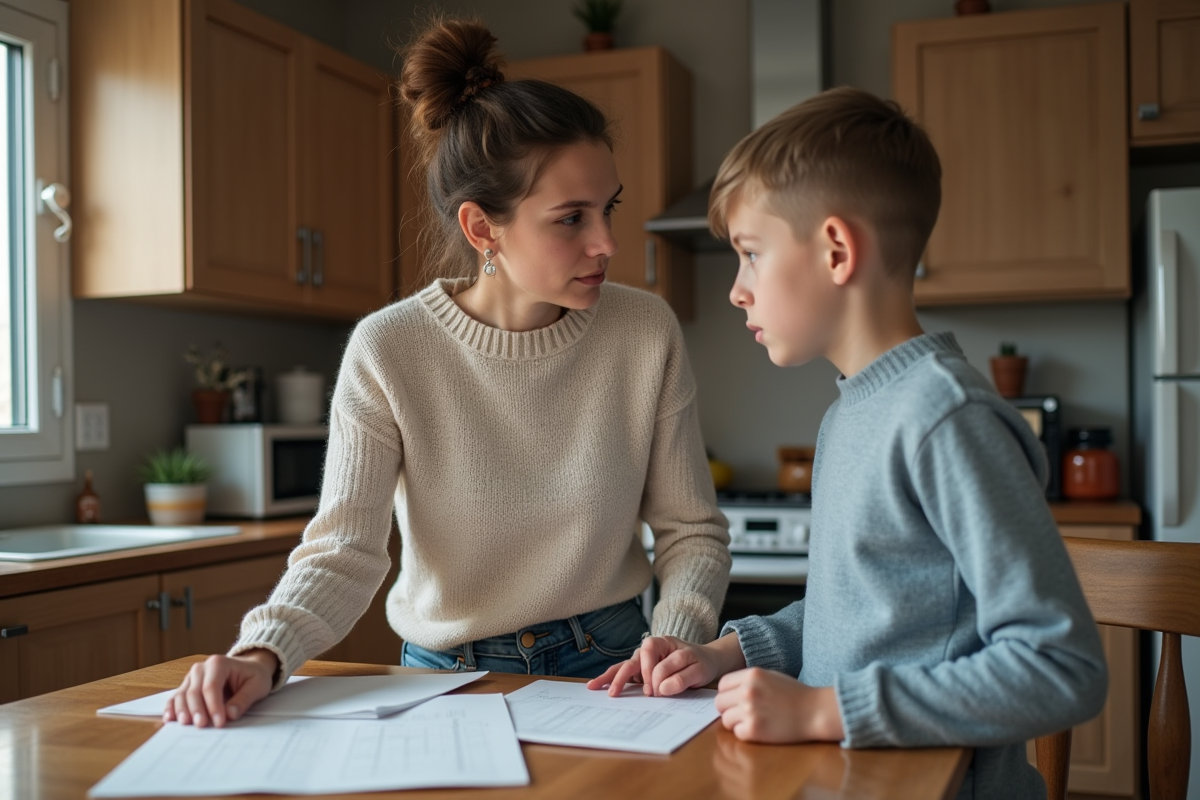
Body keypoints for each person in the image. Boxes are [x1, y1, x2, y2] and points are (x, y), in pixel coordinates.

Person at [165, 17, 730, 729]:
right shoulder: (389, 349)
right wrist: (261, 653)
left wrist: (675, 633)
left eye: (608, 209)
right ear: (482, 228)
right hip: (444, 681)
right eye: (570, 218)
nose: (607, 242)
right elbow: (345, 550)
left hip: (617, 666)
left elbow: (692, 532)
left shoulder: (644, 331)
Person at [589, 87, 1107, 799]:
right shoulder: (851, 413)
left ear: (835, 249)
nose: (738, 290)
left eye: (750, 255)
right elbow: (854, 618)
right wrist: (725, 651)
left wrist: (824, 708)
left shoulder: (944, 418)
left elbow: (1061, 668)